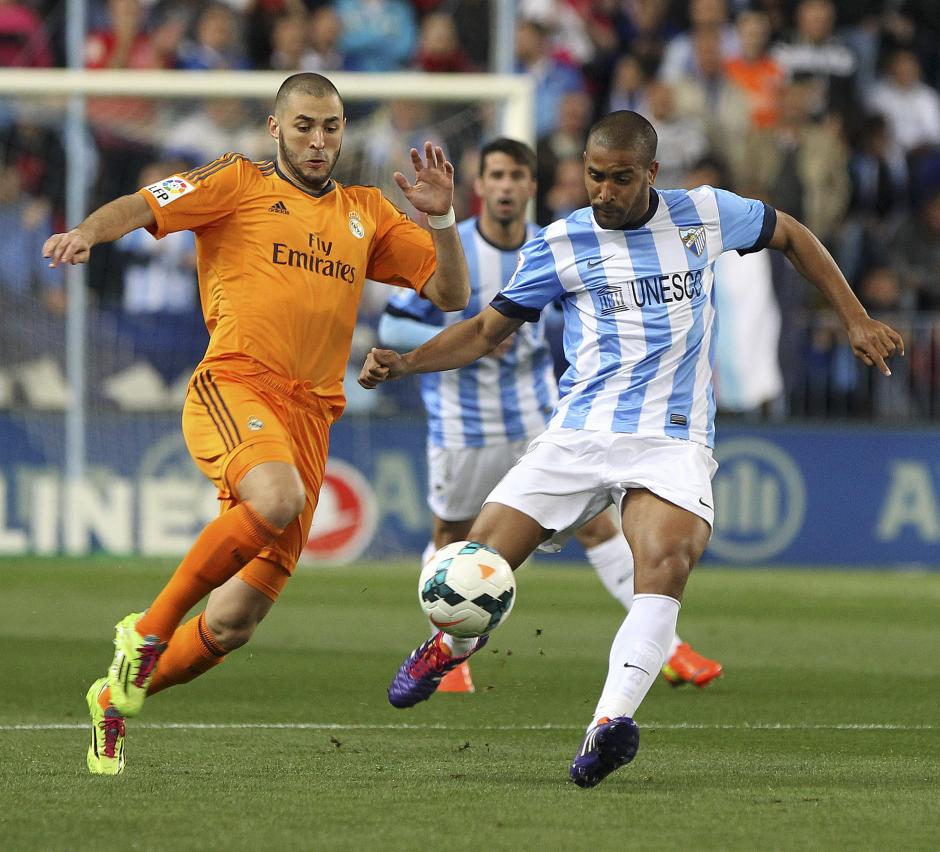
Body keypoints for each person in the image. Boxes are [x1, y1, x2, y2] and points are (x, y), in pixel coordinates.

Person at [359, 110, 904, 788]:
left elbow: (790, 232)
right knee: (476, 563)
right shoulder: (561, 243)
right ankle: (451, 645)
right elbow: (484, 332)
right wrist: (406, 364)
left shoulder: (705, 214)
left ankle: (608, 724)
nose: (604, 191)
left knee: (666, 561)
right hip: (578, 434)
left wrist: (853, 316)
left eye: (621, 179)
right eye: (594, 177)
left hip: (671, 438)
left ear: (650, 173)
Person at [43, 72, 471, 776]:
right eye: (303, 125)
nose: (318, 140)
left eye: (331, 127)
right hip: (234, 384)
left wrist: (443, 221)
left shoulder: (366, 211)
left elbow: (452, 293)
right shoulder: (235, 181)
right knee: (277, 499)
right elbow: (143, 204)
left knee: (233, 623)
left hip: (310, 419)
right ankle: (144, 635)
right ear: (276, 127)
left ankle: (114, 699)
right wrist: (88, 233)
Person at [378, 137, 722, 695]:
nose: (507, 185)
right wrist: (437, 349)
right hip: (464, 424)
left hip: (544, 417)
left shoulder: (564, 241)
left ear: (530, 186)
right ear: (481, 185)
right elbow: (394, 326)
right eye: (497, 175)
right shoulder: (454, 245)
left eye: (518, 175)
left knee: (595, 525)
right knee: (454, 537)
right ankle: (451, 649)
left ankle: (667, 648)